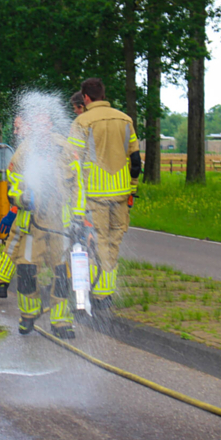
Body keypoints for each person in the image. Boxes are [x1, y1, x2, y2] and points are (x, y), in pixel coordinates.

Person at [68, 77, 140, 311]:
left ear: (86, 98)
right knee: (112, 244)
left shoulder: (82, 121)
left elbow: (72, 161)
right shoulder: (125, 119)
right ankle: (105, 294)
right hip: (121, 194)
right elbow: (136, 160)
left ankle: (93, 295)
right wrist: (133, 188)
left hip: (94, 195)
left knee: (94, 243)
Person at [3, 113, 76, 338]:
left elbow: (79, 185)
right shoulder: (24, 151)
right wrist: (22, 198)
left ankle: (61, 320)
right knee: (26, 269)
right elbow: (12, 185)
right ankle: (28, 315)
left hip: (60, 225)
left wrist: (81, 219)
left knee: (62, 272)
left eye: (45, 123)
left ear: (51, 125)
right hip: (31, 225)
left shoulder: (65, 149)